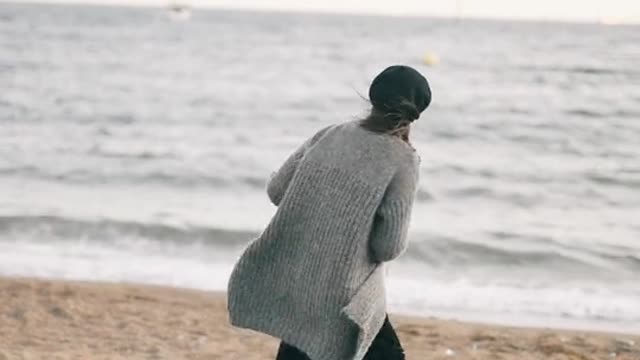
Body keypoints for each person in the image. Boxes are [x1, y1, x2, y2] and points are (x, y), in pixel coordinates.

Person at [227, 65, 431, 360]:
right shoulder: (404, 159)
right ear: (416, 114)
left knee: (300, 344)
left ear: (373, 97)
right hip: (343, 295)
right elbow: (387, 247)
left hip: (298, 277)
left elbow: (277, 190)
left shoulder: (331, 133)